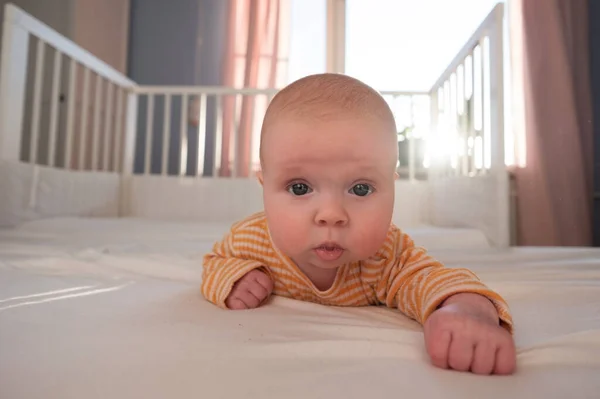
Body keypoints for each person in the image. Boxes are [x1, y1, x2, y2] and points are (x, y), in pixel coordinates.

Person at [201, 73, 516, 375]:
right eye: (300, 188)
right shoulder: (251, 240)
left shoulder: (385, 258)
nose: (331, 214)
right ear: (264, 186)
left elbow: (431, 280)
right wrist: (234, 278)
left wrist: (465, 310)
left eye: (361, 188)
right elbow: (214, 263)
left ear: (393, 189)